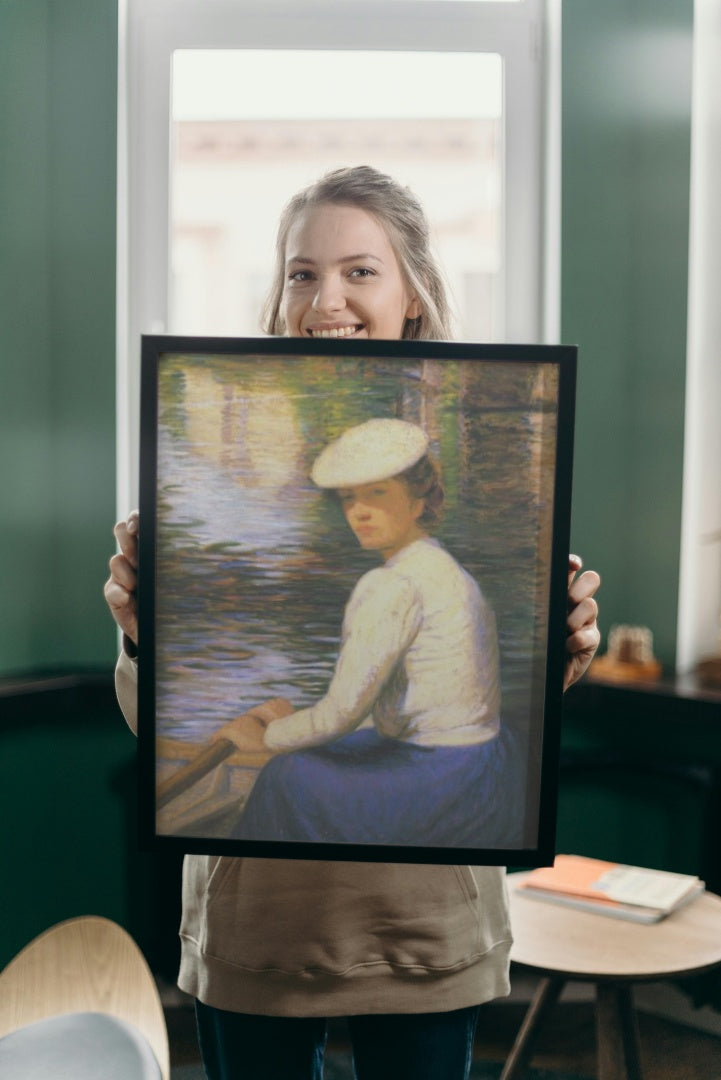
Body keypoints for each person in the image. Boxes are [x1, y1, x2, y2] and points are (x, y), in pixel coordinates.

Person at [105, 166, 601, 1080]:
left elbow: (372, 714)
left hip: (420, 921)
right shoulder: (409, 557)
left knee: (275, 767)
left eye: (359, 271)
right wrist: (146, 639)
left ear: (413, 292)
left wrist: (560, 653)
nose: (324, 297)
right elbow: (161, 726)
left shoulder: (415, 572)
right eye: (301, 272)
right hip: (260, 932)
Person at [223, 417, 520, 850]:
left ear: (418, 502)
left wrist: (265, 737)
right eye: (348, 499)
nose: (358, 512)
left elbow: (342, 713)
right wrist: (294, 726)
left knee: (286, 774)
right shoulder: (445, 568)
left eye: (376, 494)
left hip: (441, 781)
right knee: (321, 747)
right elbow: (377, 710)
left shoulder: (391, 585)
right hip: (485, 766)